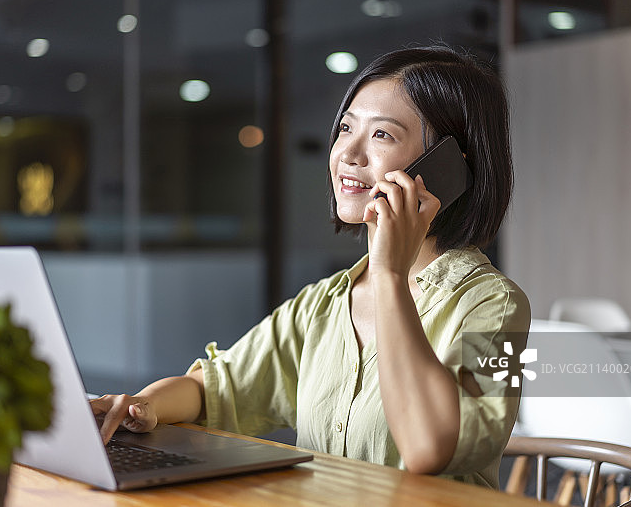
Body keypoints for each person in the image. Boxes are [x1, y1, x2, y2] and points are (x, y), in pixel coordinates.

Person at [91, 45, 531, 488]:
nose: (348, 154)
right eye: (345, 128)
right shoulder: (321, 305)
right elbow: (218, 387)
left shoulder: (502, 308)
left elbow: (429, 448)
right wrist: (140, 406)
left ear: (449, 168)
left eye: (382, 135)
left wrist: (389, 276)